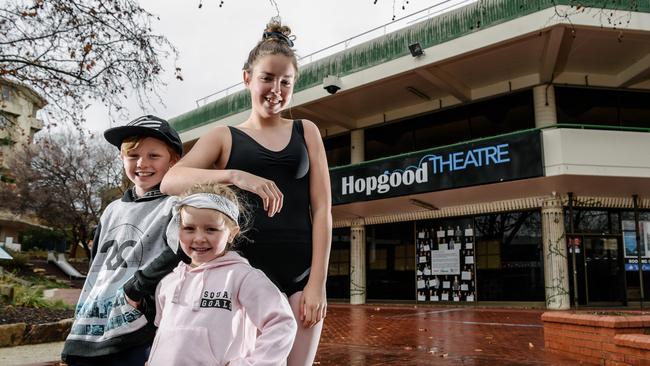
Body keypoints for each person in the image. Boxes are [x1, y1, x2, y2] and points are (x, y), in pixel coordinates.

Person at [160, 18, 332, 365]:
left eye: (286, 81)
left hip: (299, 279)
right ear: (247, 79)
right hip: (239, 282)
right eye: (267, 78)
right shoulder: (224, 136)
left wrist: (317, 283)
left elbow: (323, 210)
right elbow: (170, 181)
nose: (276, 89)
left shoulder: (306, 131)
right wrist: (236, 176)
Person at [61, 115, 187, 366]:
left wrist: (137, 287)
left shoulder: (176, 205)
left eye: (154, 156)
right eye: (133, 155)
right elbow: (97, 262)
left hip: (138, 325)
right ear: (121, 158)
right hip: (92, 325)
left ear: (172, 160)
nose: (142, 163)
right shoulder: (111, 210)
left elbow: (179, 250)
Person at [147, 184, 297, 366]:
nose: (199, 238)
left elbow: (283, 324)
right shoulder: (168, 282)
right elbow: (165, 335)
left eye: (211, 229)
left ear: (231, 233)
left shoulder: (243, 277)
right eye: (189, 228)